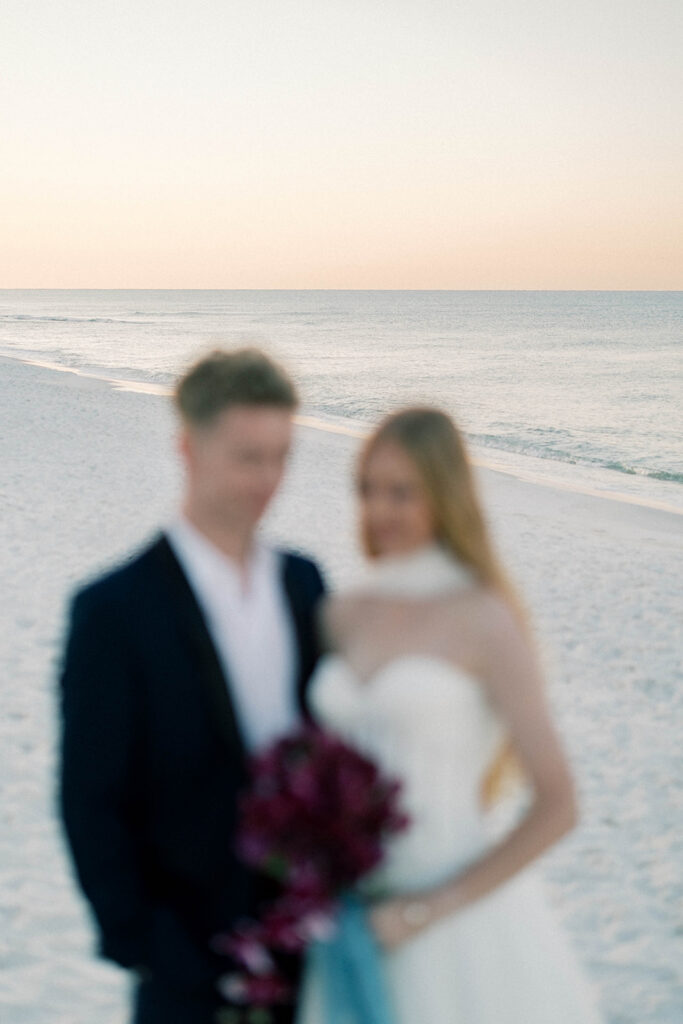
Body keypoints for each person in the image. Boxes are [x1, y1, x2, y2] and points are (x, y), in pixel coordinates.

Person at [297, 407, 605, 1023]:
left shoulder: (485, 618)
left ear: (444, 494)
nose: (379, 510)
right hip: (347, 917)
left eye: (401, 492)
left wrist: (423, 913)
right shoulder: (341, 613)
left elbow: (558, 805)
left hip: (453, 925)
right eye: (367, 489)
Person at [58, 348, 326, 1024]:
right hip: (185, 972)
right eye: (247, 456)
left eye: (280, 455)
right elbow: (89, 802)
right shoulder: (114, 610)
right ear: (187, 449)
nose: (267, 478)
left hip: (311, 958)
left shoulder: (304, 584)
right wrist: (151, 947)